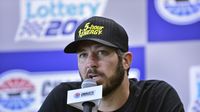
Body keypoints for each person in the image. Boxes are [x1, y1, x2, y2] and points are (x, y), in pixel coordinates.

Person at [38, 16, 185, 112]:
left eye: (101, 52)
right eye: (83, 55)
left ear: (125, 61)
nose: (90, 63)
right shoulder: (63, 99)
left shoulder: (156, 98)